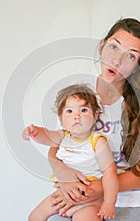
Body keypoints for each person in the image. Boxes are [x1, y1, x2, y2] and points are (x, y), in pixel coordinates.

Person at [23, 18, 140, 221]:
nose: (116, 61)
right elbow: (60, 143)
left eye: (130, 56)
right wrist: (62, 173)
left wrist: (100, 188)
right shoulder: (80, 98)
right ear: (102, 46)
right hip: (79, 197)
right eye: (113, 47)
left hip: (128, 204)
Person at [27, 84, 119, 221]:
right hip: (64, 194)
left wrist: (109, 203)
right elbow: (45, 135)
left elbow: (110, 173)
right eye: (69, 111)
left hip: (89, 201)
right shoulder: (62, 136)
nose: (77, 116)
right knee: (35, 216)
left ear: (95, 116)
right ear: (61, 119)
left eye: (83, 110)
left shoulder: (98, 142)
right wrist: (32, 132)